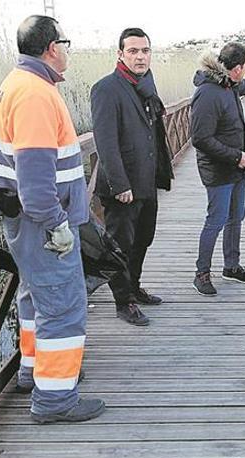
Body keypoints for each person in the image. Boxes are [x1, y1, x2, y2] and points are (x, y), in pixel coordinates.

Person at [0, 15, 104, 423]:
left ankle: (34, 370)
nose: (67, 51)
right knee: (63, 306)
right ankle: (55, 399)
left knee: (36, 299)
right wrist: (56, 222)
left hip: (27, 220)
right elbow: (35, 177)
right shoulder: (36, 93)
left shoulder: (16, 84)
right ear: (53, 47)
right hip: (43, 223)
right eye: (65, 43)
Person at [90, 27, 173, 326]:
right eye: (133, 51)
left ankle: (134, 287)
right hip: (123, 187)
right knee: (120, 246)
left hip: (146, 182)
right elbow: (106, 142)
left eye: (145, 50)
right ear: (120, 54)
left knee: (143, 239)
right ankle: (123, 302)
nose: (140, 56)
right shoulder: (106, 89)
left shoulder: (146, 86)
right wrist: (119, 184)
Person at [190, 42, 245, 296]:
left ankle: (231, 267)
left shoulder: (230, 85)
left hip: (236, 169)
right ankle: (201, 273)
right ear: (236, 69)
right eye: (244, 67)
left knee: (237, 216)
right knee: (216, 220)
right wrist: (236, 156)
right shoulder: (208, 94)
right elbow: (200, 138)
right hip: (219, 170)